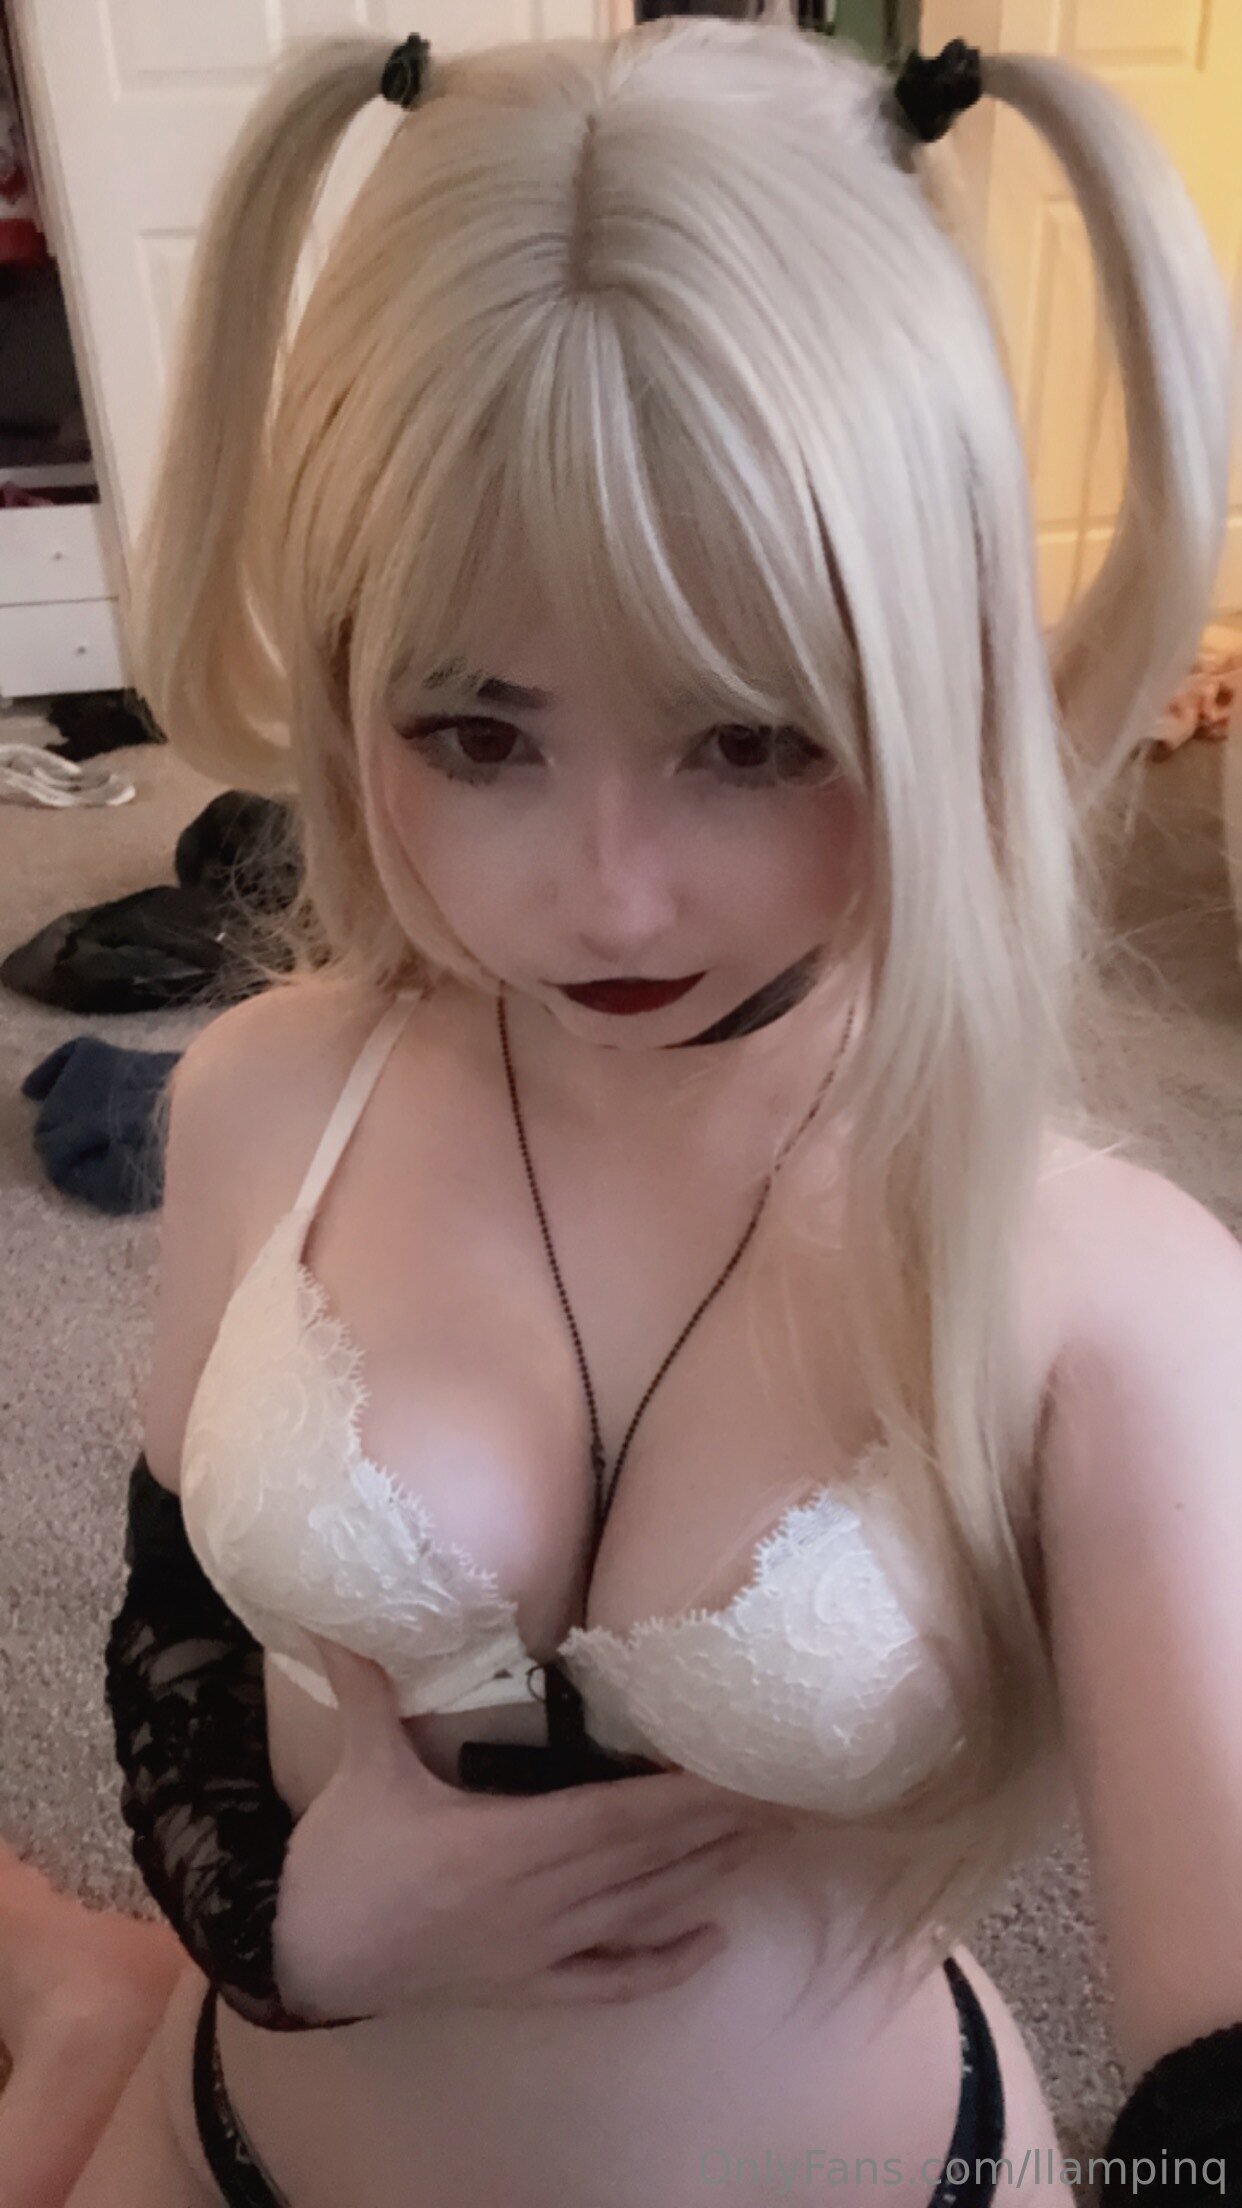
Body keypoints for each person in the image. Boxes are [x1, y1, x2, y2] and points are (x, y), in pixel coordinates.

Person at [2, 7, 1239, 2204]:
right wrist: (282, 1925)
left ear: (936, 679)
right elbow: (175, 1611)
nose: (609, 892)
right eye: (476, 734)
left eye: (751, 740)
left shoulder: (1098, 1284)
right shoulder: (270, 1094)